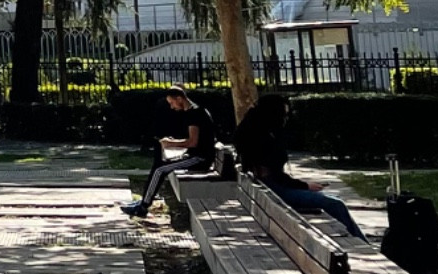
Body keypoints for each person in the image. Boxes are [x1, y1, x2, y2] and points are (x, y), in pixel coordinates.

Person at [234, 93, 362, 235]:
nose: (286, 119)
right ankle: (365, 247)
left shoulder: (257, 132)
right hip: (277, 191)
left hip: (271, 188)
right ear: (274, 114)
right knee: (336, 204)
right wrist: (305, 186)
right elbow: (277, 177)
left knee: (335, 200)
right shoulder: (265, 140)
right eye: (284, 115)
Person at [122, 88, 222, 218]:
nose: (171, 106)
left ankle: (143, 207)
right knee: (158, 164)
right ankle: (143, 201)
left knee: (160, 170)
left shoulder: (195, 114)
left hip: (200, 159)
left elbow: (192, 142)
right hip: (194, 155)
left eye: (172, 102)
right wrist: (173, 141)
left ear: (179, 99)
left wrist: (171, 143)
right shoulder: (193, 111)